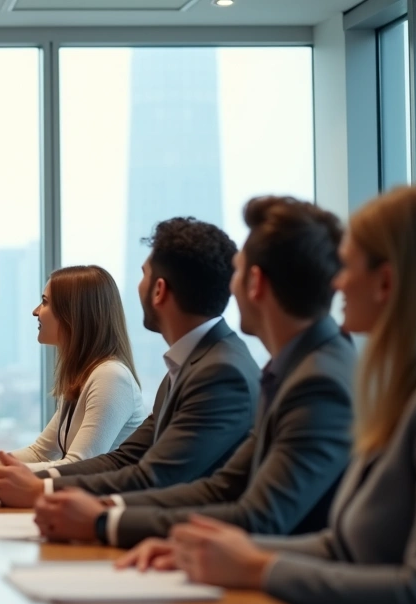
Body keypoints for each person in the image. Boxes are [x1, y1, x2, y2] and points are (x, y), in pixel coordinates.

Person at [134, 186, 416, 604]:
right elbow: (342, 546)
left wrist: (258, 567)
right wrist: (208, 550)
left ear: (386, 282)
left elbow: (415, 597)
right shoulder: (392, 392)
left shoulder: (329, 380)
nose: (338, 282)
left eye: (348, 267)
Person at [34, 197, 353, 548]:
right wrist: (85, 505)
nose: (229, 288)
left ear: (255, 283)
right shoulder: (288, 367)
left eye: (239, 272)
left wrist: (101, 520)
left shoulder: (308, 380)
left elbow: (257, 514)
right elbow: (223, 488)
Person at [0, 217, 259, 508]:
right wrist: (39, 482)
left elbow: (156, 477)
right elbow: (124, 459)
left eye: (143, 274)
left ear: (159, 290)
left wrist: (42, 490)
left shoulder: (219, 373)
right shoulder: (189, 366)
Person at [0, 265, 144, 480]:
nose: (35, 311)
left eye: (45, 302)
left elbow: (78, 465)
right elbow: (40, 452)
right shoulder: (84, 375)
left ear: (72, 313)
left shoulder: (111, 377)